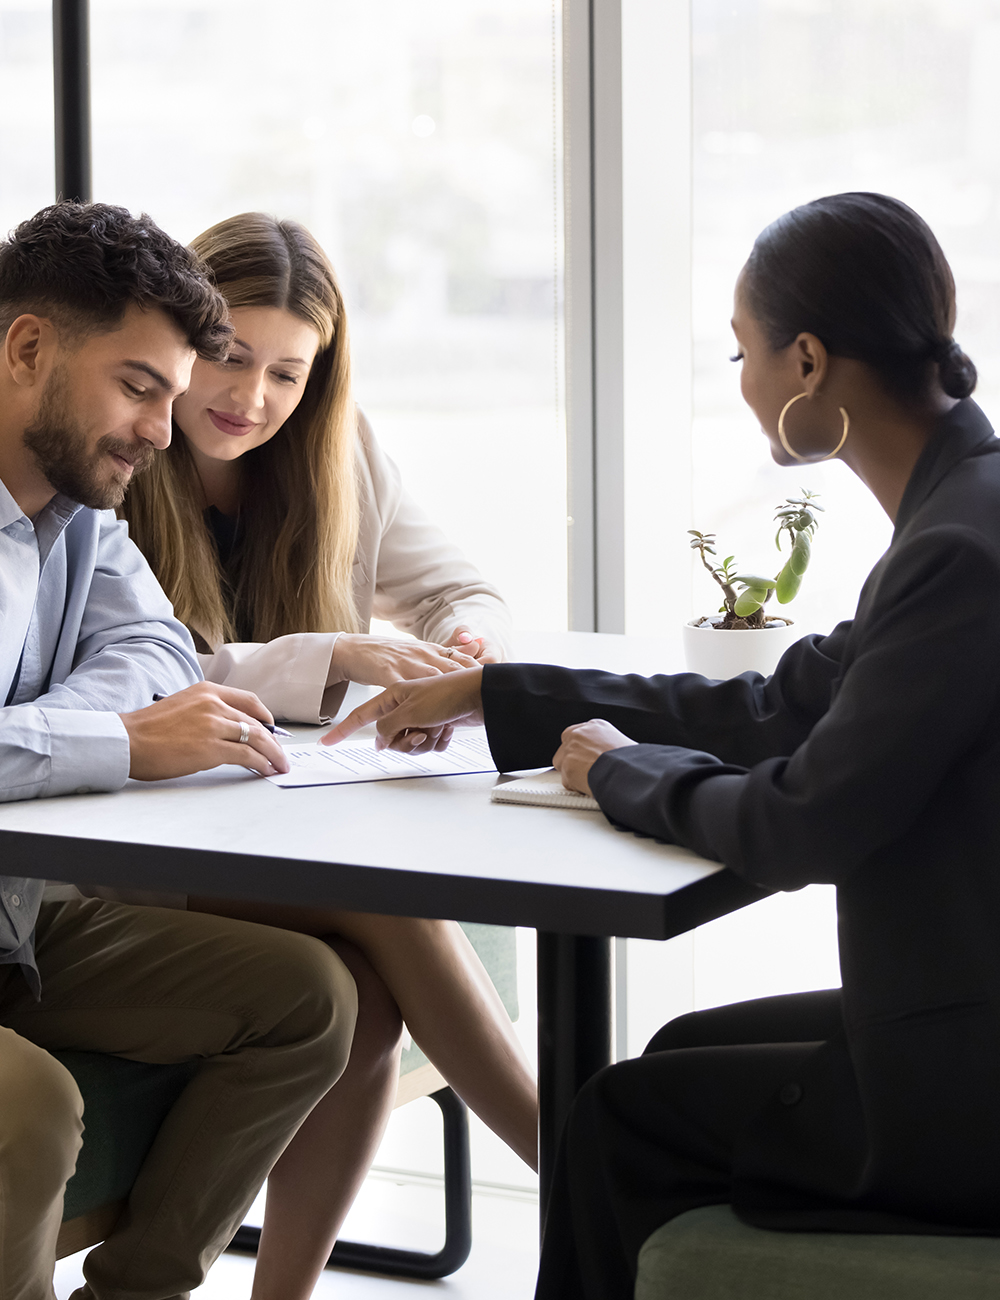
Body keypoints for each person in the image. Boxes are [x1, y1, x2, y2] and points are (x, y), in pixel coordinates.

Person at [326, 191, 1000, 1298]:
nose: (738, 382)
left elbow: (799, 821)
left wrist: (620, 774)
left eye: (741, 351)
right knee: (679, 1047)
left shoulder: (955, 554)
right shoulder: (958, 514)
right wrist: (500, 695)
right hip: (959, 1015)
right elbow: (772, 708)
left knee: (612, 1123)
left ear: (807, 365)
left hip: (966, 1095)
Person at [106, 213, 535, 1298]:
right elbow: (153, 676)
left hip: (264, 831)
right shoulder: (119, 452)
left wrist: (465, 653)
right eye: (230, 356)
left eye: (288, 374)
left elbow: (461, 586)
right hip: (133, 844)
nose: (250, 399)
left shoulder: (337, 453)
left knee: (365, 1000)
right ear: (178, 337)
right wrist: (331, 656)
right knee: (383, 908)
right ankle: (572, 1162)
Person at [0, 201, 384, 1300]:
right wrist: (113, 739)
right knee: (35, 1108)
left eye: (172, 394)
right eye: (137, 387)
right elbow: (137, 710)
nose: (165, 433)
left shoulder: (75, 505)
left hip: (15, 921)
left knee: (311, 998)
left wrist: (77, 727)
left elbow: (159, 644)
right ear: (29, 347)